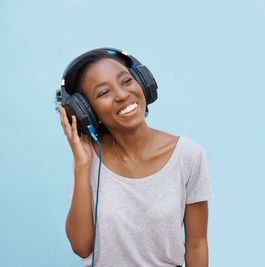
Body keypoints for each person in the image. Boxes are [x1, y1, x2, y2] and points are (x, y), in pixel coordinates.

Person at [57, 48, 214, 267]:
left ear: (143, 82)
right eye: (104, 93)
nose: (122, 95)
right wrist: (82, 166)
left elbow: (197, 244)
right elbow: (81, 246)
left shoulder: (189, 155)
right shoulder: (89, 158)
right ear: (86, 112)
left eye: (127, 81)